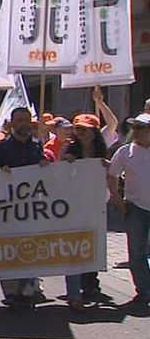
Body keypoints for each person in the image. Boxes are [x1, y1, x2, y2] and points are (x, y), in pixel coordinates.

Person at [0, 107, 50, 311]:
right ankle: (11, 291)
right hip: (8, 208)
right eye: (19, 120)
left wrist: (44, 163)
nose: (23, 123)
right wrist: (0, 171)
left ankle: (28, 288)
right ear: (12, 122)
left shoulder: (36, 146)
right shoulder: (0, 147)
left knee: (30, 246)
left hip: (31, 207)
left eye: (26, 120)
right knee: (9, 247)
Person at [60, 114, 110, 310]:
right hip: (73, 206)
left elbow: (109, 177)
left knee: (92, 247)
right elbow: (57, 176)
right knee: (74, 249)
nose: (79, 133)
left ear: (94, 132)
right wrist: (66, 161)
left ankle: (89, 286)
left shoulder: (101, 152)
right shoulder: (69, 149)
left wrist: (106, 166)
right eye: (77, 129)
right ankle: (74, 294)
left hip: (95, 207)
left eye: (83, 129)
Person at [108, 112, 150, 305]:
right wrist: (117, 199)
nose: (136, 132)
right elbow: (113, 175)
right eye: (134, 128)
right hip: (135, 208)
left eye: (141, 128)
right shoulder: (125, 152)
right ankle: (144, 290)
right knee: (137, 252)